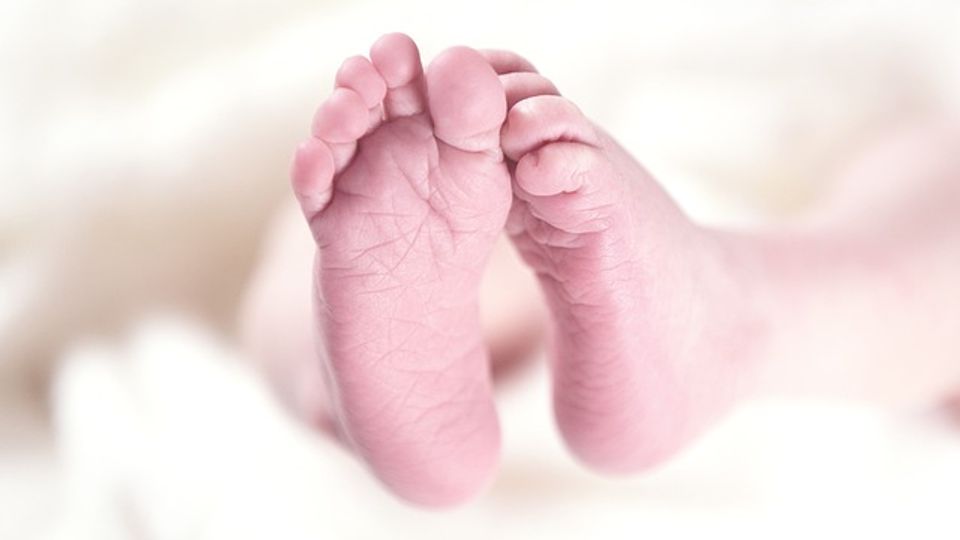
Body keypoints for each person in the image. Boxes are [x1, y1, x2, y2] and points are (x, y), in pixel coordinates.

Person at [240, 33, 960, 507]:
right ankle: (350, 369)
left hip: (772, 243)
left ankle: (326, 368)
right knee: (361, 206)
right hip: (633, 225)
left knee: (312, 233)